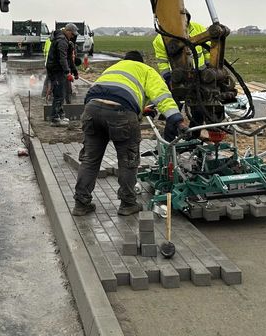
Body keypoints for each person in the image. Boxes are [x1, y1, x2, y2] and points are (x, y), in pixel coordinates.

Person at [73, 50, 188, 216]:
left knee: (90, 159)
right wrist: (178, 120)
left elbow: (109, 94)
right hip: (121, 112)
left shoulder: (115, 68)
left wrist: (139, 110)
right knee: (128, 160)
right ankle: (128, 203)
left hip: (92, 109)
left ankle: (81, 204)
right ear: (141, 62)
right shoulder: (146, 70)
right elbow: (162, 97)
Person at [152, 9, 206, 82]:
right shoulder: (160, 39)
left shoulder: (198, 28)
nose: (182, 21)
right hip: (178, 77)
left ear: (188, 17)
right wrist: (168, 78)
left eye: (183, 18)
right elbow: (162, 61)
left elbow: (208, 50)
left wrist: (210, 66)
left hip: (202, 73)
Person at [46, 23, 79, 126]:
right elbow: (63, 59)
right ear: (68, 31)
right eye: (72, 34)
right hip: (56, 71)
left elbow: (69, 58)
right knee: (59, 95)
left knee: (62, 93)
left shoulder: (65, 41)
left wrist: (74, 71)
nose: (73, 37)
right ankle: (55, 119)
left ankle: (60, 115)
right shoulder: (61, 41)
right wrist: (67, 73)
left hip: (59, 70)